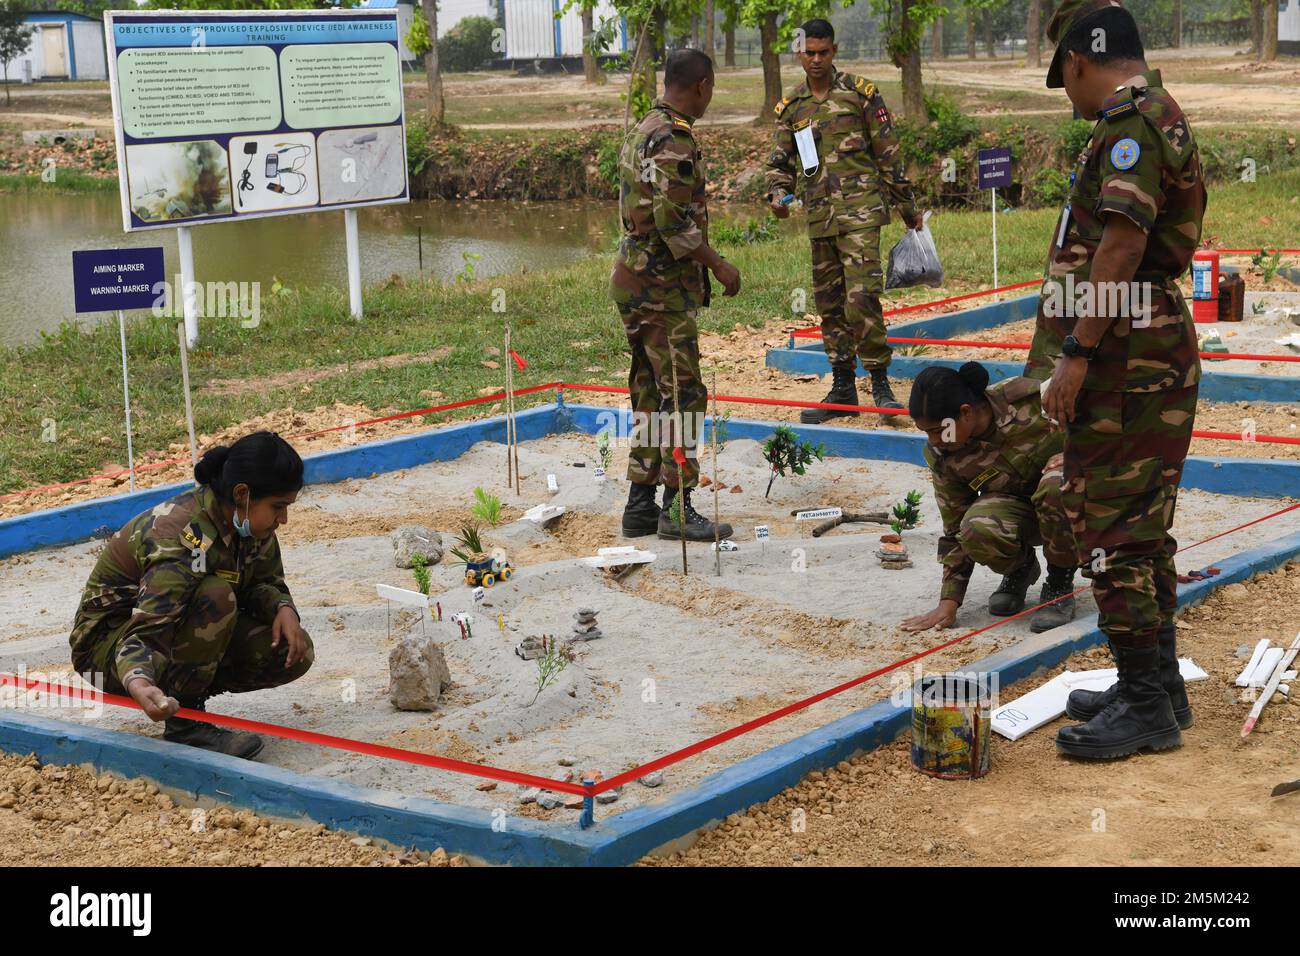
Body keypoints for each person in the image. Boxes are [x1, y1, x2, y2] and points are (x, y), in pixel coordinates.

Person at [1028, 0, 1205, 759]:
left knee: (1111, 529)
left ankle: (1145, 707)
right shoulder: (1155, 113)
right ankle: (1158, 685)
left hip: (1126, 357)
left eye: (1063, 78)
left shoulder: (1131, 121)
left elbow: (1120, 250)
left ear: (1077, 61)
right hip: (1146, 348)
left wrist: (1076, 354)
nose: (1067, 96)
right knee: (1142, 527)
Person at [69, 432, 312, 759]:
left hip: (167, 632)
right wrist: (140, 682)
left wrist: (283, 607)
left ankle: (182, 694)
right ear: (242, 494)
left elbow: (262, 581)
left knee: (292, 649)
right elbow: (148, 629)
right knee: (217, 596)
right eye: (278, 507)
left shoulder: (250, 524)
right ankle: (186, 725)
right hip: (108, 648)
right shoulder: (181, 535)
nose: (283, 519)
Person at [765, 17, 921, 423]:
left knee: (861, 298)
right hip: (820, 217)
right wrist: (777, 196)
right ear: (799, 53)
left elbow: (888, 154)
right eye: (809, 53)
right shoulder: (792, 108)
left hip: (862, 213)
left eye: (824, 52)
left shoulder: (860, 94)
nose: (816, 60)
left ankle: (881, 385)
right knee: (831, 304)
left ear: (833, 51)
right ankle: (842, 388)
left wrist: (908, 207)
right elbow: (779, 165)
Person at [612, 47, 738, 542]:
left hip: (633, 281)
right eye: (712, 89)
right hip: (662, 288)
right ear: (702, 85)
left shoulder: (644, 126)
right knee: (684, 395)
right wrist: (719, 264)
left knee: (648, 390)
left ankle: (639, 504)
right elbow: (671, 221)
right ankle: (678, 507)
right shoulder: (674, 139)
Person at [901, 363, 1078, 636]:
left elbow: (1099, 418)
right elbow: (954, 526)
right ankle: (1021, 569)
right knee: (974, 528)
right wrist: (949, 602)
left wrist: (1078, 454)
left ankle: (1059, 583)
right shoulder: (943, 455)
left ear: (965, 412)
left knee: (1056, 484)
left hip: (1074, 501)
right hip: (1020, 511)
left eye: (939, 430)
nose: (934, 440)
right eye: (927, 433)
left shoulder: (1028, 398)